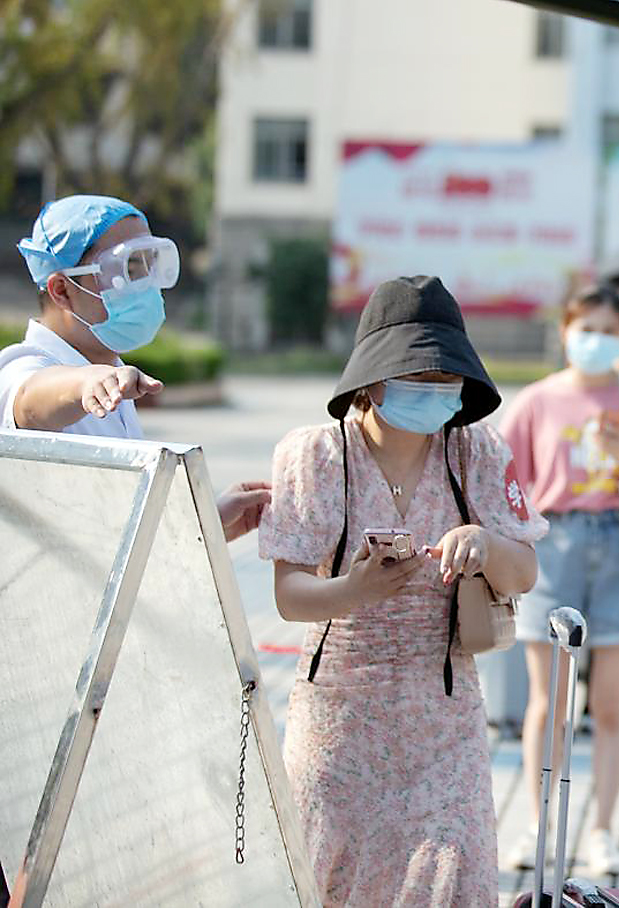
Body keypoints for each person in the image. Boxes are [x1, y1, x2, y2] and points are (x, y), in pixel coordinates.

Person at [258, 276, 546, 905]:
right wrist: (354, 590)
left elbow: (524, 572)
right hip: (338, 722)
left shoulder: (475, 452)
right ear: (371, 378)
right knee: (334, 883)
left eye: (447, 378)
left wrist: (484, 544)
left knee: (454, 876)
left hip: (445, 717)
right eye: (419, 376)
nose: (436, 390)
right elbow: (289, 595)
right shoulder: (315, 455)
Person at [499, 285, 619, 875]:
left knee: (609, 702)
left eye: (609, 330)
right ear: (565, 331)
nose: (596, 341)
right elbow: (503, 487)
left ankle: (602, 830)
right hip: (554, 545)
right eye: (587, 328)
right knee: (549, 700)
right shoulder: (536, 401)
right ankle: (540, 825)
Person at [2, 194, 269, 541]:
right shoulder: (25, 366)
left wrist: (206, 526)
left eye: (147, 265)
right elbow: (29, 401)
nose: (145, 285)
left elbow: (110, 532)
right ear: (62, 290)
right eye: (128, 270)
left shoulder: (110, 371)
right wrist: (85, 382)